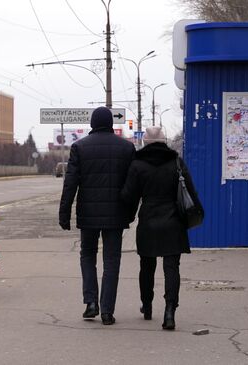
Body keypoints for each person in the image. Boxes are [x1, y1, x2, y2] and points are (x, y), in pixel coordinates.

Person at [58, 106, 136, 325]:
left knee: (88, 255)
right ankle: (108, 312)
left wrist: (65, 214)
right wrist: (130, 214)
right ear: (111, 123)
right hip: (116, 214)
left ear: (92, 124)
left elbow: (70, 183)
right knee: (112, 261)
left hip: (88, 214)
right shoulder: (126, 148)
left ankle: (91, 302)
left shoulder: (79, 147)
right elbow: (133, 186)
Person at [120, 126, 203, 330]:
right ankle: (169, 312)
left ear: (145, 142)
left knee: (146, 266)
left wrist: (127, 218)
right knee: (171, 268)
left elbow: (128, 196)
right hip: (173, 222)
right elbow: (191, 192)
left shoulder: (137, 165)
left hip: (148, 221)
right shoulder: (176, 163)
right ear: (164, 141)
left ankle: (147, 305)